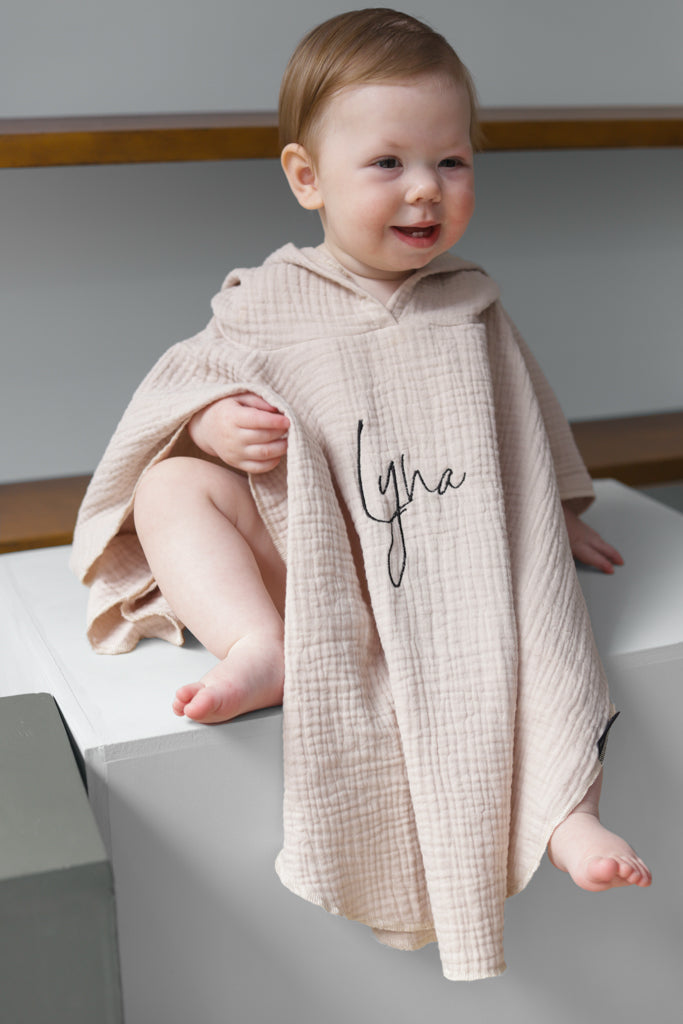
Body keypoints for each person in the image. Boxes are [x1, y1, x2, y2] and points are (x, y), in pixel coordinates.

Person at [72, 8, 650, 978]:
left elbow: (522, 421)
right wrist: (210, 424)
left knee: (545, 628)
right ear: (307, 178)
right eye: (387, 163)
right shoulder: (267, 303)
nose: (425, 188)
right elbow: (162, 409)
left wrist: (550, 509)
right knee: (173, 485)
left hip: (447, 563)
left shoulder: (469, 305)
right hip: (310, 565)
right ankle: (258, 643)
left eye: (451, 162)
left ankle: (568, 815)